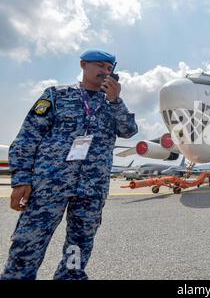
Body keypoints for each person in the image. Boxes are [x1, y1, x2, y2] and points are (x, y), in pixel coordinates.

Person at [1, 49, 138, 280]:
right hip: (49, 183)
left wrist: (115, 101)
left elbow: (129, 131)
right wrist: (21, 178)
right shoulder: (56, 95)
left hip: (91, 188)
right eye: (100, 66)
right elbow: (28, 136)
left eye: (109, 69)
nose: (105, 71)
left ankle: (70, 277)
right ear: (84, 65)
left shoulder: (112, 104)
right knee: (29, 240)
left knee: (80, 243)